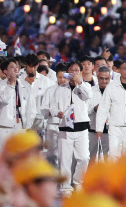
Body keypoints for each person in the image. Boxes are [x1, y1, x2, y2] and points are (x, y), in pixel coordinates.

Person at [50, 61, 92, 196]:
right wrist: (58, 113)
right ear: (67, 73)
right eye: (71, 71)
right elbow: (52, 107)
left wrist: (79, 82)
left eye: (77, 70)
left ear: (80, 72)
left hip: (82, 127)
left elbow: (87, 96)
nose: (74, 73)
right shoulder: (60, 89)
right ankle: (65, 187)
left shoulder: (85, 86)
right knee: (65, 159)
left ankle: (78, 182)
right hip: (65, 127)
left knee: (84, 157)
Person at [41, 63, 68, 168]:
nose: (62, 80)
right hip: (52, 125)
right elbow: (43, 108)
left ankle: (65, 178)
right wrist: (53, 112)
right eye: (59, 77)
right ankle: (53, 178)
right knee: (52, 154)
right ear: (56, 76)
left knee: (65, 153)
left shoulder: (71, 89)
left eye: (64, 77)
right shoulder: (50, 90)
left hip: (67, 125)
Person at [19, 54, 55, 132]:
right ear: (25, 65)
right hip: (23, 120)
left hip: (40, 120)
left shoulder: (45, 81)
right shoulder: (19, 80)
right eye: (30, 66)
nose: (32, 69)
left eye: (35, 66)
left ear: (38, 65)